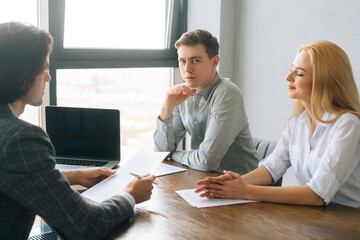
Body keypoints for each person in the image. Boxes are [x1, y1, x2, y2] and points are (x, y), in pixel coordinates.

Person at [0, 22, 156, 240]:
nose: (48, 77)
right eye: (44, 68)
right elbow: (86, 226)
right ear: (23, 74)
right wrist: (130, 195)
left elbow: (10, 176)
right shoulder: (21, 138)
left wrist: (74, 176)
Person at [195, 40, 360, 208]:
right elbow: (273, 167)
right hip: (317, 217)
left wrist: (245, 191)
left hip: (349, 220)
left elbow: (317, 194)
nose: (288, 77)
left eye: (300, 74)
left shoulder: (348, 125)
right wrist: (232, 184)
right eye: (291, 70)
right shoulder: (298, 121)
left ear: (324, 81)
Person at [154, 29, 258, 174]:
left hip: (240, 188)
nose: (187, 69)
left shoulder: (227, 94)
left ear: (214, 62)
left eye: (195, 60)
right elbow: (160, 154)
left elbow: (207, 161)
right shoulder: (183, 94)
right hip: (203, 179)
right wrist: (166, 109)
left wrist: (174, 154)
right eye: (182, 61)